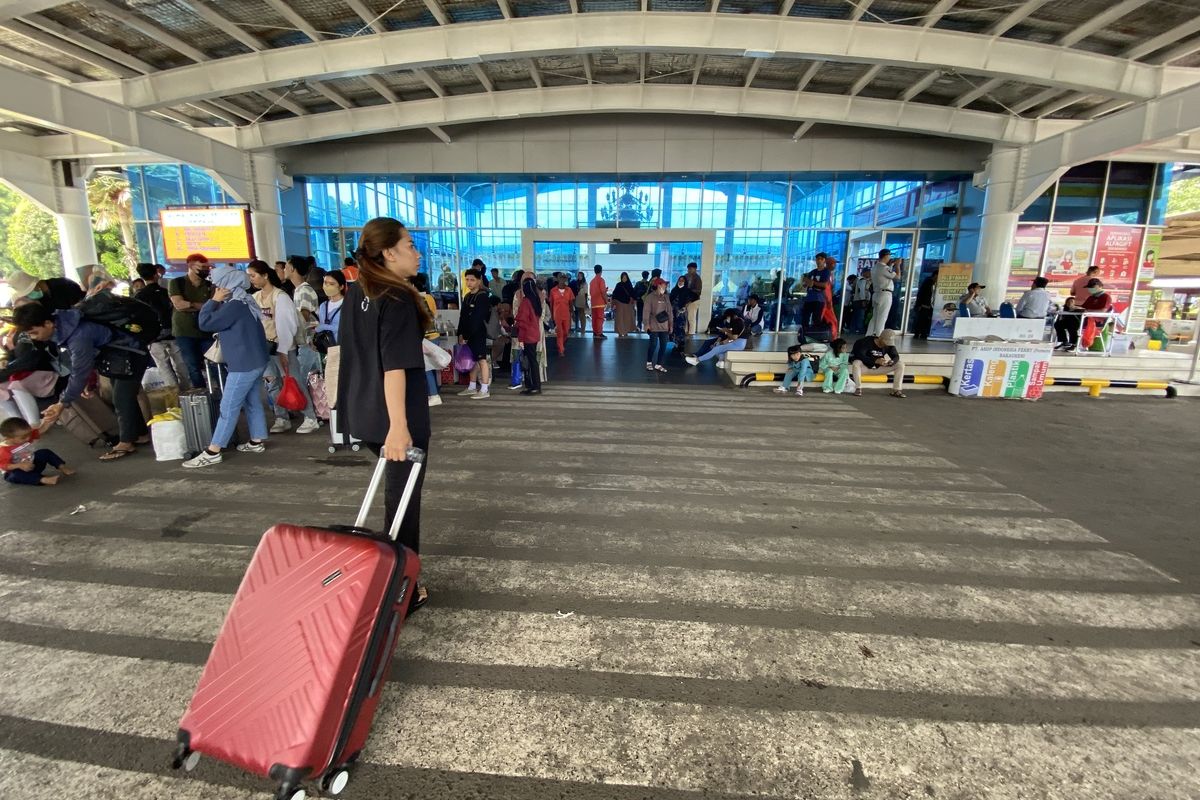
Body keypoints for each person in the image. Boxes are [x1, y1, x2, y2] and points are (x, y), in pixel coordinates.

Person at [338, 216, 431, 613]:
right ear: (389, 252)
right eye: (410, 245)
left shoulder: (358, 291)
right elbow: (394, 367)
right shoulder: (396, 299)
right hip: (397, 416)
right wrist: (399, 427)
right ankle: (403, 588)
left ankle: (395, 579)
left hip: (363, 408)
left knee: (396, 498)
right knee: (403, 502)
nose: (417, 251)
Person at [12, 301, 150, 460]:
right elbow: (80, 363)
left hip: (132, 354)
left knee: (122, 398)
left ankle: (126, 443)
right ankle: (140, 434)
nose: (32, 337)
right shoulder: (64, 324)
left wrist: (61, 404)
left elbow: (79, 370)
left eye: (34, 332)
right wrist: (87, 382)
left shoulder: (78, 335)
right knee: (122, 396)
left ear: (48, 323)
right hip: (119, 357)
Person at [183, 265, 272, 468]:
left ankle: (214, 450)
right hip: (256, 360)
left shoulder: (234, 305)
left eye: (218, 283)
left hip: (243, 364)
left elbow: (205, 323)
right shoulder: (245, 301)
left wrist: (213, 301)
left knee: (228, 406)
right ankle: (256, 440)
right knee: (252, 401)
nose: (215, 287)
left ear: (227, 284)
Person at [246, 260, 320, 434]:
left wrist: (284, 349)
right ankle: (281, 417)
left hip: (283, 346)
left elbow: (288, 324)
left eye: (253, 275)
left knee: (294, 380)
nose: (251, 280)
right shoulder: (255, 298)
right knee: (272, 382)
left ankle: (310, 417)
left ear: (265, 275)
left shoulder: (281, 297)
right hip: (263, 347)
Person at [134, 262, 188, 389]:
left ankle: (175, 394)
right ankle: (188, 392)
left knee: (163, 367)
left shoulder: (139, 296)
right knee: (181, 365)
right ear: (156, 275)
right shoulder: (167, 292)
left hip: (154, 337)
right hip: (174, 332)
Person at [168, 253, 215, 389]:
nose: (206, 270)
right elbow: (179, 304)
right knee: (192, 365)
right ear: (190, 266)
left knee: (214, 363)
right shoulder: (177, 282)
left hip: (206, 330)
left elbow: (213, 307)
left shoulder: (209, 285)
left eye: (207, 267)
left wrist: (190, 305)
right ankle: (202, 394)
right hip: (184, 331)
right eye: (202, 267)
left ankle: (222, 393)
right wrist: (201, 306)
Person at [0, 415, 73, 486]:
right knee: (15, 475)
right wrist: (19, 465)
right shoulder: (3, 449)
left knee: (44, 452)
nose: (28, 438)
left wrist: (47, 420)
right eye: (23, 438)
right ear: (9, 438)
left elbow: (41, 430)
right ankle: (43, 480)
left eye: (29, 435)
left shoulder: (24, 436)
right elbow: (3, 465)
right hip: (17, 471)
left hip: (32, 464)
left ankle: (62, 467)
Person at [456, 268, 492, 399]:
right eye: (467, 280)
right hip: (467, 334)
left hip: (478, 333)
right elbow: (463, 317)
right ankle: (472, 387)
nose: (469, 282)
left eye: (472, 280)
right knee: (472, 360)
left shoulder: (482, 296)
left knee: (482, 360)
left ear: (479, 281)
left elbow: (477, 319)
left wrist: (466, 335)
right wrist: (460, 334)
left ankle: (484, 389)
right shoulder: (467, 296)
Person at [850, 328, 905, 398]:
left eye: (889, 343)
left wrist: (892, 362)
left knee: (900, 364)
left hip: (879, 368)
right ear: (880, 338)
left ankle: (896, 390)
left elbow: (896, 356)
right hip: (865, 368)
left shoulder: (889, 345)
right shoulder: (866, 341)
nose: (887, 345)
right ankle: (858, 388)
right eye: (886, 342)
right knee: (856, 362)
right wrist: (876, 360)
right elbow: (860, 356)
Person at [516, 274, 544, 395]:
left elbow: (522, 322)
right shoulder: (536, 299)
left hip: (527, 335)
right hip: (534, 333)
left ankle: (533, 386)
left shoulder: (526, 301)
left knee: (529, 361)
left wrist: (520, 338)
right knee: (533, 361)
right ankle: (535, 385)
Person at [6, 271, 85, 312]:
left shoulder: (64, 284)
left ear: (35, 286)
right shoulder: (39, 300)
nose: (29, 296)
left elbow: (81, 304)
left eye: (29, 293)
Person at [642, 278, 672, 372]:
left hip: (664, 325)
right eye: (664, 284)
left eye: (665, 285)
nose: (665, 286)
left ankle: (658, 364)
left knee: (664, 346)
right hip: (653, 325)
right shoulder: (650, 297)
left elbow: (670, 312)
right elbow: (646, 311)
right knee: (653, 345)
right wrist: (646, 324)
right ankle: (649, 362)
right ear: (658, 285)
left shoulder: (666, 297)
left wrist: (671, 324)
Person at [868, 249, 899, 336]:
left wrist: (891, 265)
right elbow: (897, 277)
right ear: (886, 256)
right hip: (885, 295)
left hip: (877, 294)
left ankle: (869, 336)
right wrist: (898, 265)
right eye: (889, 256)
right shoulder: (884, 268)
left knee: (875, 318)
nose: (890, 257)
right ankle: (879, 337)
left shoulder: (875, 267)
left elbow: (886, 274)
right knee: (882, 318)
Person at [314, 269, 346, 351]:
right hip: (328, 348)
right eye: (325, 283)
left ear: (341, 286)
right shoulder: (323, 306)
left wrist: (323, 326)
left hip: (345, 349)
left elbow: (347, 328)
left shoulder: (348, 304)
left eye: (332, 284)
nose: (327, 286)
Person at [802, 253, 832, 330]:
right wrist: (806, 281)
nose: (819, 261)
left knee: (816, 318)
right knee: (805, 317)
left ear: (824, 260)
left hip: (819, 299)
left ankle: (816, 334)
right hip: (809, 298)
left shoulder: (826, 272)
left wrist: (812, 283)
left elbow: (825, 285)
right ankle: (805, 332)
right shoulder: (812, 272)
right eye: (817, 259)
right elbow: (805, 284)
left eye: (821, 259)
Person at [549, 274, 575, 356]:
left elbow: (571, 302)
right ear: (557, 279)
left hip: (566, 314)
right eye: (561, 278)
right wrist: (551, 316)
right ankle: (561, 350)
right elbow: (551, 304)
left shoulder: (569, 290)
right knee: (560, 332)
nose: (562, 280)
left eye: (564, 278)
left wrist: (573, 312)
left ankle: (560, 344)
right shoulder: (553, 291)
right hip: (557, 315)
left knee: (566, 332)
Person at [912, 270, 938, 339]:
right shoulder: (928, 282)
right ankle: (918, 334)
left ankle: (923, 334)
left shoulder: (934, 284)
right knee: (921, 320)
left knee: (926, 321)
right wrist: (919, 304)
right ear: (935, 275)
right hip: (924, 305)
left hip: (929, 306)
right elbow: (921, 294)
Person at [669, 276, 690, 351]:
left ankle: (681, 343)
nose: (681, 282)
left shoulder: (687, 291)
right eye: (679, 280)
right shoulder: (674, 289)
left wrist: (684, 307)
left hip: (681, 311)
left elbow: (688, 301)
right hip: (673, 311)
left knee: (680, 327)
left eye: (682, 280)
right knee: (673, 326)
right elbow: (670, 299)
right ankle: (675, 343)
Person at [612, 272, 637, 337]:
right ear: (621, 278)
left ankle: (626, 331)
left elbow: (633, 294)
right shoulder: (618, 285)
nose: (624, 279)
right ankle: (620, 332)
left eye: (625, 277)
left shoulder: (629, 285)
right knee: (619, 319)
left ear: (627, 278)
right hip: (619, 304)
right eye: (623, 277)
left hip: (628, 305)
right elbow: (614, 294)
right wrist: (614, 303)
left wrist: (634, 301)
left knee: (627, 319)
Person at [589, 265, 608, 339]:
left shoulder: (592, 281)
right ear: (601, 271)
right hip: (600, 303)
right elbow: (603, 292)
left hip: (593, 303)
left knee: (594, 318)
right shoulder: (601, 280)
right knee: (600, 318)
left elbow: (591, 292)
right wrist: (606, 301)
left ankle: (595, 332)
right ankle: (599, 333)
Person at [683, 262, 703, 335]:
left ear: (695, 269)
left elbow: (698, 291)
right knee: (686, 316)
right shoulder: (686, 276)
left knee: (691, 317)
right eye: (688, 269)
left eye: (690, 269)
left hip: (694, 300)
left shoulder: (697, 278)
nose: (689, 270)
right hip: (687, 299)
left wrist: (689, 290)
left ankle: (691, 332)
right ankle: (685, 331)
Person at [850, 268, 871, 334]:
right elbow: (862, 291)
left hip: (857, 300)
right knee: (860, 316)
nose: (870, 274)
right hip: (860, 301)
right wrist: (863, 300)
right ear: (864, 273)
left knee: (855, 315)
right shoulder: (862, 280)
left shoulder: (859, 279)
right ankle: (860, 329)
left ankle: (852, 329)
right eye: (868, 272)